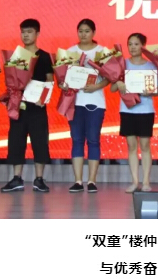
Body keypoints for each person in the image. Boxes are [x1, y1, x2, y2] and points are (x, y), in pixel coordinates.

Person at [1, 19, 53, 193]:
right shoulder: (16, 56)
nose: (26, 35)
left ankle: (39, 179)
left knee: (40, 142)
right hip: (19, 106)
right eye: (23, 32)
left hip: (37, 107)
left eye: (29, 32)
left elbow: (50, 80)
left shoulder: (44, 56)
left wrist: (43, 99)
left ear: (37, 34)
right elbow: (10, 80)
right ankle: (17, 178)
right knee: (16, 141)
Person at [111, 33, 158, 193]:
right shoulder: (122, 64)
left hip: (146, 110)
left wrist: (150, 92)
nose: (132, 47)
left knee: (145, 145)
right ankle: (134, 181)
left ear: (143, 46)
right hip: (127, 110)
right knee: (131, 146)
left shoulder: (151, 66)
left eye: (136, 44)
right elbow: (112, 88)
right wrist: (119, 84)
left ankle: (146, 181)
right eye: (130, 44)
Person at [64, 19, 109, 194]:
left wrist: (96, 87)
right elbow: (64, 76)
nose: (83, 34)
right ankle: (77, 181)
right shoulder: (70, 52)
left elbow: (110, 77)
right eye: (80, 31)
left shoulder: (102, 52)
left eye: (87, 31)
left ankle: (91, 181)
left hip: (95, 102)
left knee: (93, 140)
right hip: (75, 102)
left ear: (94, 32)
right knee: (76, 140)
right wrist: (64, 84)